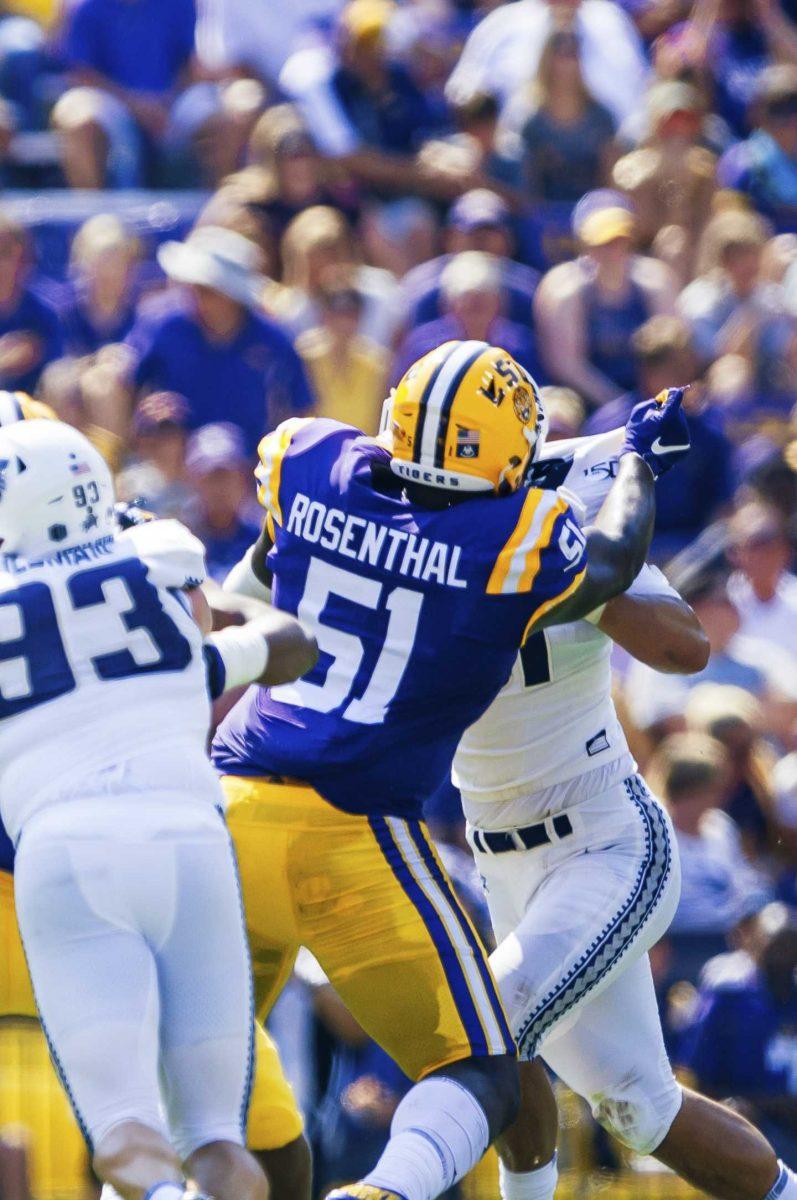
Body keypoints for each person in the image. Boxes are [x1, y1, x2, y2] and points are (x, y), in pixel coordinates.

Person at [212, 340, 689, 1200]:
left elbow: (249, 585)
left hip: (236, 789)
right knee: (483, 1060)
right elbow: (610, 558)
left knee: (200, 1057)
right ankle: (387, 1190)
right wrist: (636, 467)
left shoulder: (313, 460)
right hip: (358, 820)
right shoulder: (515, 533)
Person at [452, 409, 797, 1200]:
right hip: (494, 848)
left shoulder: (573, 514)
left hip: (599, 840)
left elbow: (686, 647)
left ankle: (389, 1188)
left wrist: (576, 576)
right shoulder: (410, 529)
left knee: (486, 1023)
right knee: (642, 1107)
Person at [0, 418, 318, 1200]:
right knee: (216, 1138)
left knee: (127, 1137)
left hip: (65, 853)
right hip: (192, 844)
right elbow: (290, 645)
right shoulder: (155, 564)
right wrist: (207, 638)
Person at [119, 225, 315, 455]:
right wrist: (138, 432)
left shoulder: (274, 341)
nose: (195, 296)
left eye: (206, 290)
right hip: (172, 470)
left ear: (232, 296)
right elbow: (123, 382)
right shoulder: (162, 324)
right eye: (192, 286)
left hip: (251, 475)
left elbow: (303, 411)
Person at [584, 313, 735, 558]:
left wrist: (698, 558)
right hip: (622, 552)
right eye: (671, 369)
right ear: (646, 372)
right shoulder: (609, 428)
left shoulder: (710, 430)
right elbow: (591, 504)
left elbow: (722, 511)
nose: (684, 377)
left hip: (691, 554)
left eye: (687, 367)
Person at [534, 191, 677, 407]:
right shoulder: (565, 291)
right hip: (585, 404)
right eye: (604, 242)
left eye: (620, 240)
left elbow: (670, 353)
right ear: (585, 243)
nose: (613, 249)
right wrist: (619, 406)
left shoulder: (656, 281)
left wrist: (651, 402)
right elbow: (568, 367)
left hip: (648, 397)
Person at [679, 907, 797, 1165]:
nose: (783, 958)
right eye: (775, 947)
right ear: (754, 946)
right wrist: (751, 1107)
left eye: (790, 948)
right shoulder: (728, 999)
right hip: (748, 1124)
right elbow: (698, 1079)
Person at [446, 0, 649, 129]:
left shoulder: (613, 21)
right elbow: (462, 93)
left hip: (607, 165)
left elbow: (642, 95)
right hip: (516, 168)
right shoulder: (501, 24)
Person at [398, 188, 540, 332]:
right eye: (471, 231)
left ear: (508, 239)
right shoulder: (421, 286)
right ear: (449, 237)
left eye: (489, 232)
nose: (480, 240)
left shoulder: (529, 289)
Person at [391, 252, 542, 384]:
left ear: (498, 305)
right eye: (468, 305)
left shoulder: (520, 347)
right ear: (449, 307)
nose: (475, 314)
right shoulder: (422, 347)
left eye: (482, 304)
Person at [515, 27, 617, 205]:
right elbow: (529, 185)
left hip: (595, 213)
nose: (568, 63)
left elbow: (611, 179)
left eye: (573, 55)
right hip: (547, 216)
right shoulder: (532, 122)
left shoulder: (601, 117)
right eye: (562, 55)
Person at [296, 277, 388, 433]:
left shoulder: (377, 362)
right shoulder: (306, 358)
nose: (343, 323)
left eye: (350, 316)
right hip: (318, 445)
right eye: (337, 315)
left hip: (363, 447)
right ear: (324, 317)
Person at [718, 65, 797, 226]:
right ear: (758, 113)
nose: (789, 118)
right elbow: (731, 223)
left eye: (793, 105)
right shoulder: (741, 162)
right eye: (777, 108)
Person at [184, 422, 262, 583]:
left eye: (226, 476)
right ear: (194, 482)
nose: (220, 488)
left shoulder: (265, 536)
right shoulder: (182, 539)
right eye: (211, 478)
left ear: (243, 478)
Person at [62, 214, 143, 356]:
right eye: (100, 263)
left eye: (118, 263)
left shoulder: (144, 319)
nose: (110, 272)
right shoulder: (62, 316)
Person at [0, 211, 62, 395]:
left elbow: (60, 374)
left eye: (5, 253)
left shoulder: (44, 315)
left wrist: (35, 354)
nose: (2, 264)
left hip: (32, 415)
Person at [727, 500, 797, 663]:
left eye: (768, 542)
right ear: (735, 553)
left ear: (785, 550)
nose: (761, 555)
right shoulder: (720, 604)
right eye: (753, 545)